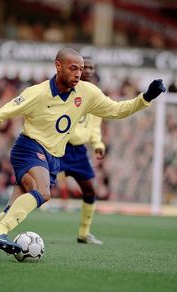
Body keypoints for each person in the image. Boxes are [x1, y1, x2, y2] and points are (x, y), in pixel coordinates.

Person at [0, 48, 165, 261]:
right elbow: (1, 114)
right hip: (29, 147)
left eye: (81, 69)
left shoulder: (87, 92)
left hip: (53, 157)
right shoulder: (36, 93)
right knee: (43, 193)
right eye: (73, 68)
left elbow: (117, 110)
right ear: (58, 66)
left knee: (11, 210)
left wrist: (145, 97)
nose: (78, 74)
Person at [57, 57, 105, 245]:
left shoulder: (95, 96)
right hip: (58, 147)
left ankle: (84, 233)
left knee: (90, 190)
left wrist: (98, 144)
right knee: (36, 189)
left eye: (92, 67)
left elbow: (95, 126)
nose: (89, 70)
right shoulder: (64, 89)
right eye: (86, 67)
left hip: (78, 152)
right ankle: (6, 225)